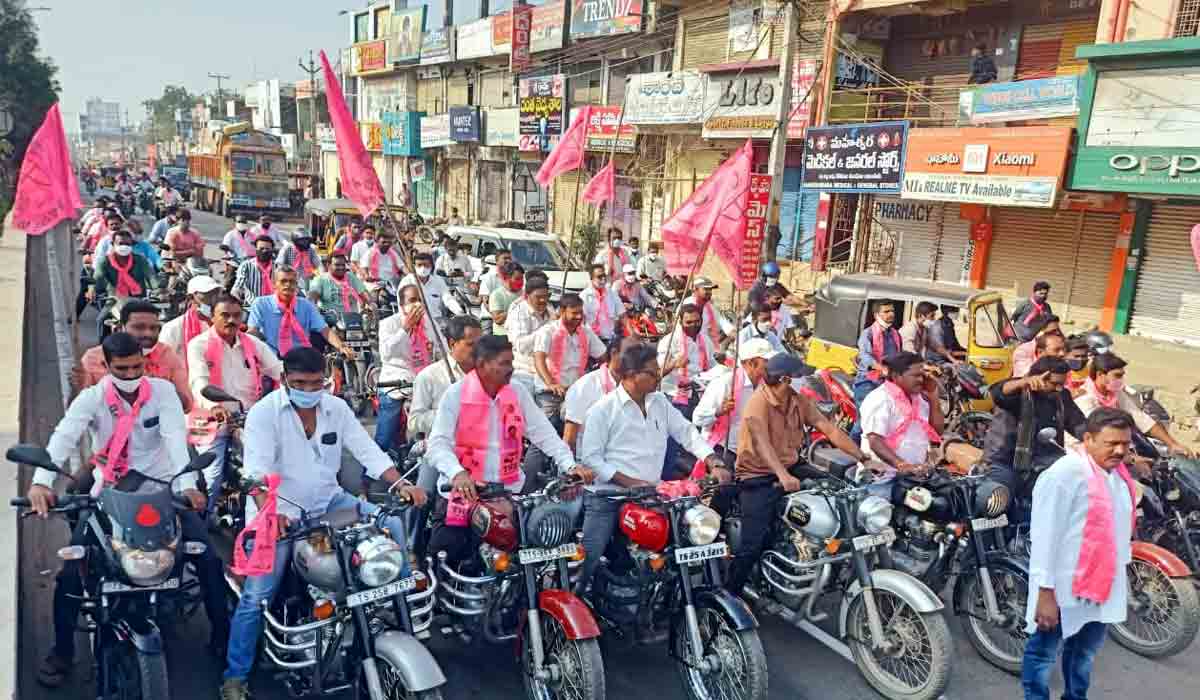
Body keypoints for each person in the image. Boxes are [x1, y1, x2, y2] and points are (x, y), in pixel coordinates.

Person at [219, 347, 427, 700]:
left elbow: (367, 450)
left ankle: (403, 613)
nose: (309, 389)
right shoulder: (263, 414)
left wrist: (401, 483)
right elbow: (256, 473)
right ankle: (235, 676)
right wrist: (273, 513)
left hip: (331, 501)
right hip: (279, 512)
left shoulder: (336, 408)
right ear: (285, 379)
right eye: (300, 382)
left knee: (392, 523)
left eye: (317, 383)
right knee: (256, 597)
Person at [31, 332, 227, 688]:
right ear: (107, 366)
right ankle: (62, 652)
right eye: (123, 369)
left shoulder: (163, 393)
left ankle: (223, 639)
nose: (132, 373)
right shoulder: (92, 399)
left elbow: (174, 439)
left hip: (163, 489)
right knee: (70, 577)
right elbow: (64, 436)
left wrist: (186, 487)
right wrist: (42, 482)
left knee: (209, 562)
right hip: (109, 492)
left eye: (137, 366)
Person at [424, 335, 591, 566]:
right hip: (463, 496)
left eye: (511, 362)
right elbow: (437, 444)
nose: (511, 369)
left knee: (526, 563)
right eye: (504, 363)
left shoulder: (517, 391)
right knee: (445, 560)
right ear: (482, 365)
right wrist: (457, 473)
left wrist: (570, 465)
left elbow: (543, 433)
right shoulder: (455, 394)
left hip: (509, 496)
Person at [575, 342, 728, 593]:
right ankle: (578, 604)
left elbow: (686, 432)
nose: (659, 376)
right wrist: (631, 483)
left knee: (680, 545)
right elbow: (591, 459)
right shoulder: (602, 410)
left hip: (651, 496)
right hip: (609, 497)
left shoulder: (660, 402)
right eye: (652, 372)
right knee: (590, 557)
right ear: (630, 375)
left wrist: (713, 460)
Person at [725, 352, 872, 594]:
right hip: (757, 474)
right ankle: (732, 594)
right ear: (785, 379)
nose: (806, 379)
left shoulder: (798, 400)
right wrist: (782, 475)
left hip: (791, 466)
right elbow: (762, 444)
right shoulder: (757, 404)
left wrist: (864, 458)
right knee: (752, 543)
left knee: (839, 490)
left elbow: (829, 429)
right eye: (800, 376)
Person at [1021, 407, 1136, 700]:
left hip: (1102, 584)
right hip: (1062, 585)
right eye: (1112, 443)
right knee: (1044, 653)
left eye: (1125, 443)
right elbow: (1045, 537)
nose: (1120, 450)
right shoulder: (1063, 475)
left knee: (1084, 652)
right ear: (1088, 439)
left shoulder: (1116, 474)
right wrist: (1046, 593)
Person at [187, 295, 283, 511]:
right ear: (212, 318)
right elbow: (198, 381)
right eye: (225, 315)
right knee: (210, 478)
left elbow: (279, 370)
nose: (231, 321)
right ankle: (204, 524)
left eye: (236, 316)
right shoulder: (197, 345)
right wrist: (214, 406)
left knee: (267, 467)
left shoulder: (254, 344)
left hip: (246, 417)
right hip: (206, 418)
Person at [983, 356, 1088, 495]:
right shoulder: (1019, 391)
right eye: (1054, 383)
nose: (1058, 388)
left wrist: (1097, 438)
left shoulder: (1061, 396)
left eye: (1062, 384)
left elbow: (1078, 424)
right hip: (1005, 461)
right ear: (1037, 378)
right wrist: (1024, 382)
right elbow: (997, 392)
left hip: (1043, 461)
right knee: (999, 499)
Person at [74, 300, 193, 412]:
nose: (148, 333)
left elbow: (187, 405)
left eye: (154, 328)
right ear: (121, 328)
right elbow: (77, 409)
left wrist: (162, 390)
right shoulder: (93, 358)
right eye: (139, 327)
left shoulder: (167, 354)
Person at [1072, 353, 1196, 456]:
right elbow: (1101, 434)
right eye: (1117, 376)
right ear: (1100, 375)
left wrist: (1172, 444)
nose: (1120, 380)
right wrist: (1131, 458)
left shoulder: (1114, 393)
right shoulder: (1085, 399)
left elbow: (1139, 417)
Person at [859, 351, 944, 489]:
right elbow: (875, 440)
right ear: (896, 376)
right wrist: (902, 465)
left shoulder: (920, 399)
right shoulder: (880, 399)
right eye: (915, 376)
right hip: (883, 479)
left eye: (922, 375)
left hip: (915, 478)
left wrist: (934, 397)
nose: (921, 380)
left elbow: (937, 431)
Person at [376, 284, 441, 452]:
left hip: (425, 384)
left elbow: (443, 351)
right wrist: (406, 328)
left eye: (420, 300)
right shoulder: (389, 323)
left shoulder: (430, 324)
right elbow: (385, 353)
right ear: (401, 304)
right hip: (396, 384)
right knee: (384, 436)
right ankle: (369, 475)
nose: (417, 304)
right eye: (412, 300)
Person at [693, 337, 775, 465]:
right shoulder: (725, 383)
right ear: (752, 363)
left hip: (751, 449)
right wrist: (720, 411)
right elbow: (697, 418)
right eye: (767, 361)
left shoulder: (765, 385)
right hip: (723, 448)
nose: (771, 365)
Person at [247, 266, 355, 359]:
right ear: (274, 284)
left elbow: (325, 330)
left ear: (297, 285)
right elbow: (253, 331)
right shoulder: (260, 303)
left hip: (302, 357)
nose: (288, 285)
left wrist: (341, 346)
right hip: (271, 357)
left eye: (292, 282)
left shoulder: (306, 305)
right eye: (283, 281)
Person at [531, 293, 606, 425]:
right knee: (546, 435)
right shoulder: (547, 331)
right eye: (574, 313)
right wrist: (551, 384)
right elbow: (539, 360)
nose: (579, 317)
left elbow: (604, 357)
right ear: (562, 311)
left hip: (575, 393)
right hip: (549, 394)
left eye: (581, 312)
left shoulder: (586, 333)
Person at [408, 316, 483, 438]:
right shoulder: (429, 376)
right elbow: (414, 422)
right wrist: (450, 414)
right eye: (471, 344)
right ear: (452, 343)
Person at [562, 336, 638, 451]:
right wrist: (573, 467)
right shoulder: (585, 385)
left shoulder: (636, 386)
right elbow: (569, 438)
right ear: (614, 353)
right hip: (588, 460)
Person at [658, 303, 717, 415]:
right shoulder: (669, 341)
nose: (693, 325)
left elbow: (712, 365)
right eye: (689, 322)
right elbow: (658, 373)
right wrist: (674, 364)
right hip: (675, 395)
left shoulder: (705, 340)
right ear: (680, 322)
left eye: (697, 321)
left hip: (701, 393)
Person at [852, 300, 902, 415]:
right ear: (876, 315)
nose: (891, 314)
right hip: (868, 381)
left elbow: (900, 356)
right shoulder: (868, 333)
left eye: (892, 311)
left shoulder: (895, 334)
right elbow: (865, 355)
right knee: (865, 421)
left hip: (888, 382)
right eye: (886, 311)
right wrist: (882, 368)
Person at [159, 274, 221, 366]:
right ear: (191, 298)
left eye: (216, 294)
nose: (213, 300)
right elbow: (163, 362)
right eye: (207, 295)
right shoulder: (173, 328)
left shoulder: (223, 326)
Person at [506, 275, 555, 388]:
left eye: (546, 296)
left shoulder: (549, 308)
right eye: (538, 297)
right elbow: (521, 346)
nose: (543, 300)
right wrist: (547, 329)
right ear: (527, 296)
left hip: (549, 367)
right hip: (525, 370)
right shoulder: (518, 313)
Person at [92, 229, 156, 302]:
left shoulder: (140, 259)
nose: (124, 246)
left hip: (140, 300)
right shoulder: (105, 261)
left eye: (127, 244)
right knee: (103, 313)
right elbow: (98, 276)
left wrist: (158, 289)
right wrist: (92, 289)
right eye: (121, 243)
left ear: (132, 245)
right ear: (113, 244)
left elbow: (151, 276)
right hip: (114, 300)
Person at [93, 219, 161, 273]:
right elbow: (99, 259)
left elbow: (156, 258)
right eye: (133, 232)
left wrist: (163, 265)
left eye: (138, 233)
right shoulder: (108, 242)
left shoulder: (143, 245)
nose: (136, 236)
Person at [580, 264, 623, 341]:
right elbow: (581, 321)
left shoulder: (611, 293)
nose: (603, 279)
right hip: (592, 339)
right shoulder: (584, 296)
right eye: (599, 277)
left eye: (604, 276)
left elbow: (622, 313)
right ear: (591, 278)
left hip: (610, 337)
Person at [231, 236, 278, 302]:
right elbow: (238, 285)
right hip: (252, 306)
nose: (264, 251)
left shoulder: (278, 267)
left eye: (267, 249)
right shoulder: (246, 265)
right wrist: (235, 295)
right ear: (256, 249)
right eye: (261, 248)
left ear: (272, 249)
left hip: (273, 305)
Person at [275, 228, 323, 292]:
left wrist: (322, 275)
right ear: (295, 240)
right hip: (289, 279)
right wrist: (285, 274)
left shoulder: (311, 249)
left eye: (307, 240)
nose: (305, 242)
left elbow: (318, 264)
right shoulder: (287, 248)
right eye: (302, 240)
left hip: (306, 279)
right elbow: (279, 264)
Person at [690, 277, 732, 345]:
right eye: (705, 289)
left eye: (710, 289)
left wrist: (732, 331)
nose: (709, 292)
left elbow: (721, 321)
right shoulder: (687, 306)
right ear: (695, 289)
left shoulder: (708, 306)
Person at [488, 261, 525, 335]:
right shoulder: (497, 295)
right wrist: (516, 309)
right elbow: (498, 320)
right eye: (517, 279)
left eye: (522, 278)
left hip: (522, 332)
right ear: (507, 278)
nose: (521, 281)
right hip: (504, 335)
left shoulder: (525, 293)